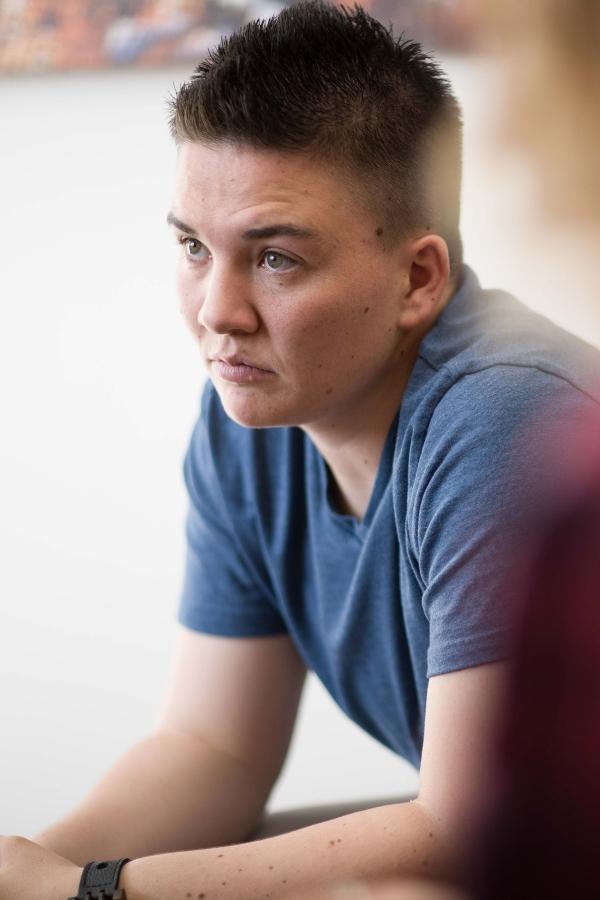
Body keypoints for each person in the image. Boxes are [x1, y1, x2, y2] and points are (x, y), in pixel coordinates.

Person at [0, 3, 598, 899]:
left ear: (418, 278)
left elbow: (463, 829)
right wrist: (36, 867)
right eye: (193, 247)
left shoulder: (508, 419)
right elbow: (214, 747)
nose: (217, 312)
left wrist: (89, 891)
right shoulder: (256, 413)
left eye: (275, 259)